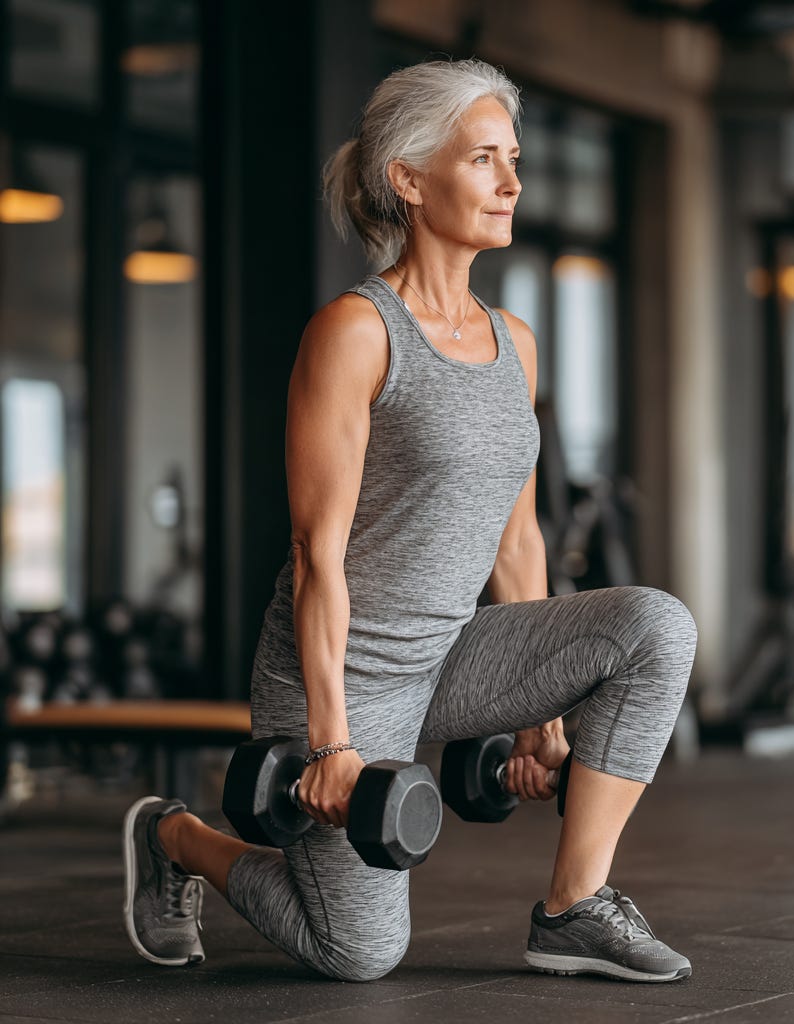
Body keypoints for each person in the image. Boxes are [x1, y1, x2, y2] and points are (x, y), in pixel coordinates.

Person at [122, 57, 698, 984]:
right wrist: (334, 742)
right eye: (483, 159)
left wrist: (544, 720)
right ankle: (178, 837)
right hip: (349, 669)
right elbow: (317, 555)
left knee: (656, 625)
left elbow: (518, 538)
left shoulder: (517, 344)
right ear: (408, 179)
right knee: (358, 953)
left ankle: (573, 906)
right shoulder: (355, 332)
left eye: (514, 158)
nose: (512, 182)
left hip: (459, 652)